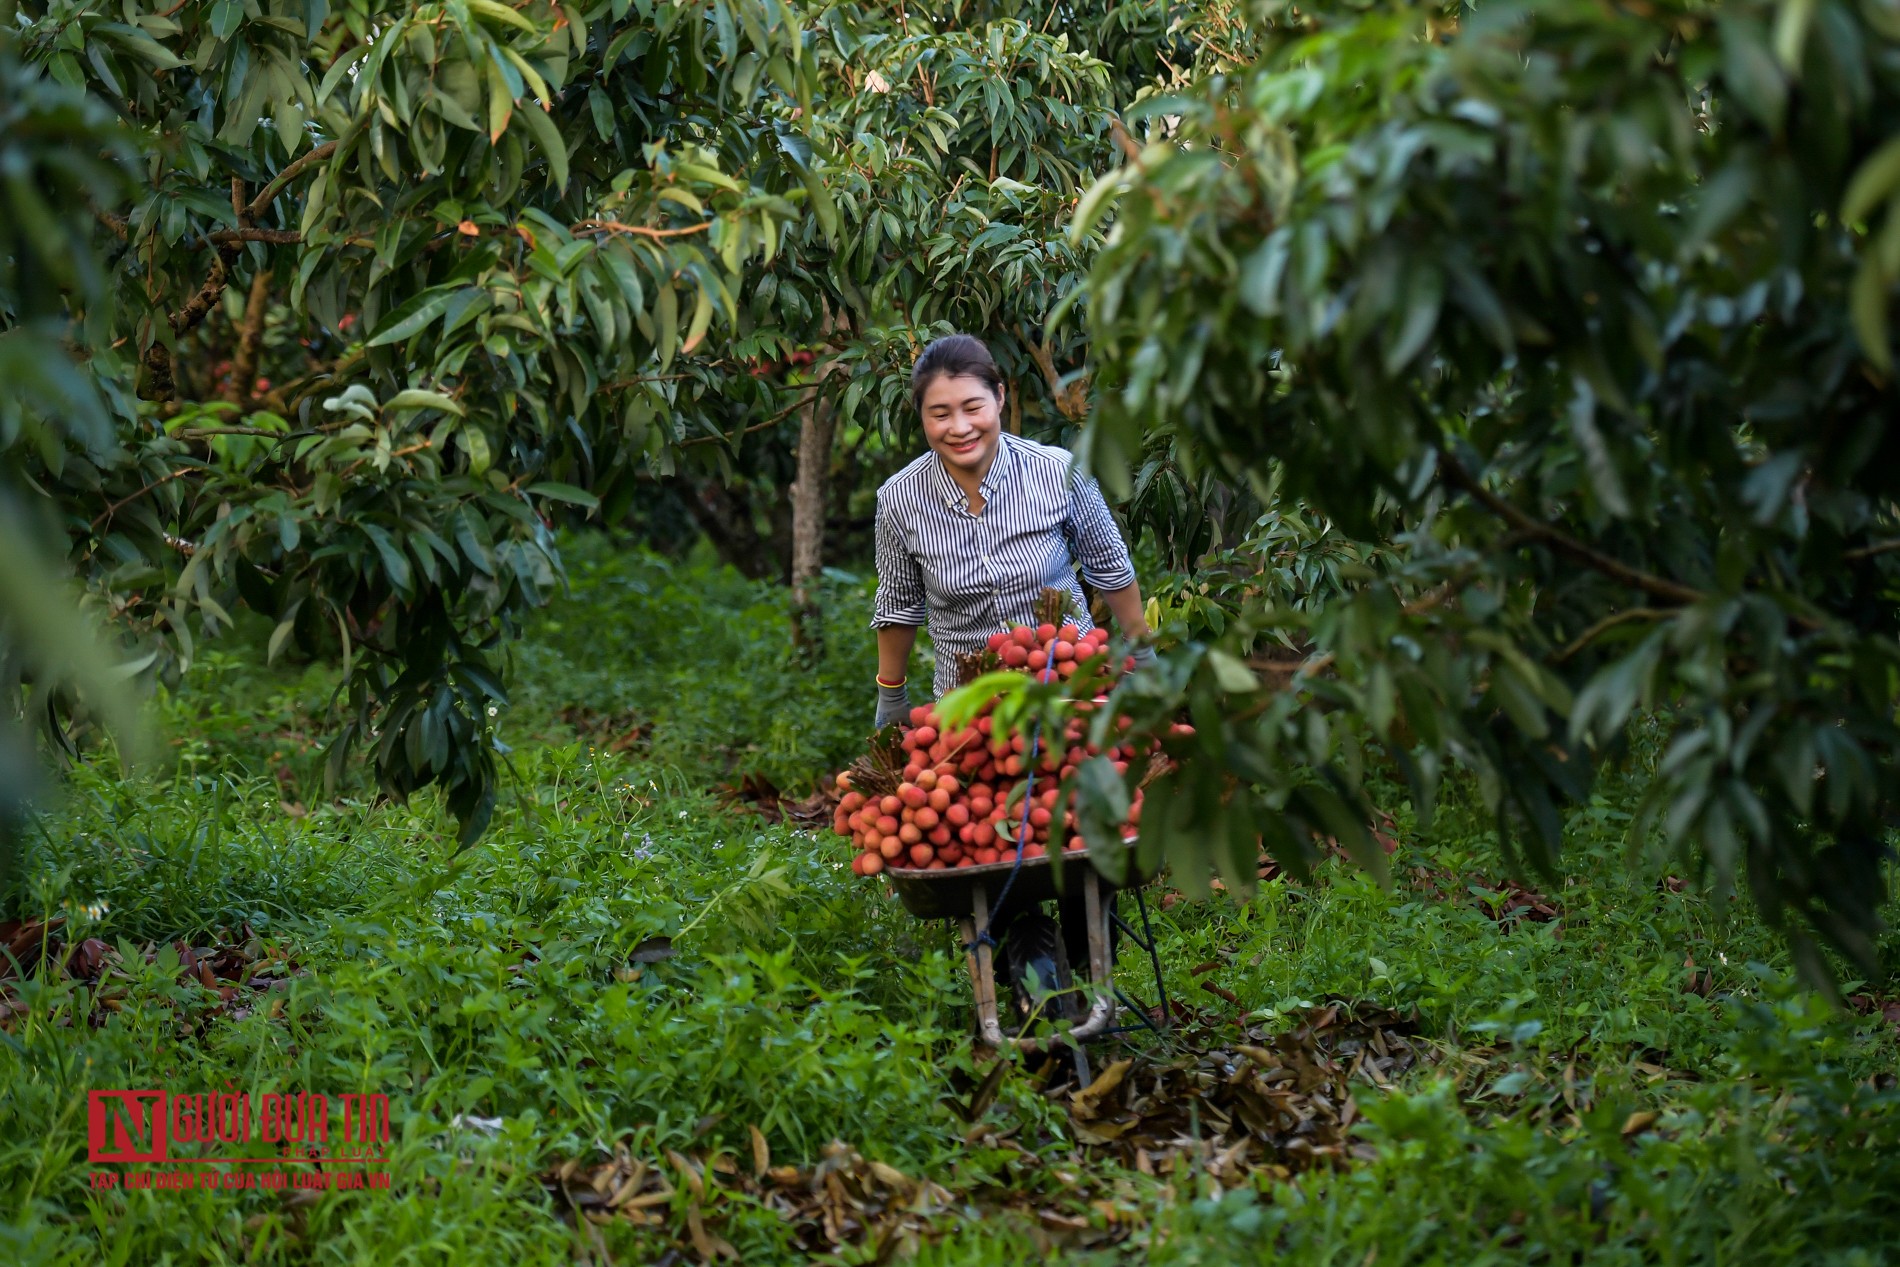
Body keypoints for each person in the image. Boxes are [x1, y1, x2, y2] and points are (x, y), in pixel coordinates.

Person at [870, 332, 1154, 728]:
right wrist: (892, 693)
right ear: (921, 416)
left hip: (1072, 687)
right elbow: (899, 607)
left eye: (973, 407)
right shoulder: (900, 499)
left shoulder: (1057, 472)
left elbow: (1108, 565)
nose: (960, 427)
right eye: (940, 414)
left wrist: (1140, 653)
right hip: (970, 707)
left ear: (999, 397)